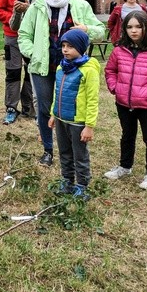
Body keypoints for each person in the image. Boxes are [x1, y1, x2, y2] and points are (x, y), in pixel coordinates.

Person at [17, 0, 105, 167]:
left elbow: (100, 31)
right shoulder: (37, 6)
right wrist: (33, 54)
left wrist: (86, 28)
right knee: (45, 109)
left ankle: (72, 149)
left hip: (71, 69)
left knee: (70, 109)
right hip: (43, 68)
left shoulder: (80, 6)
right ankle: (48, 149)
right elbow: (23, 35)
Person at [104, 10, 147, 190]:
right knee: (127, 136)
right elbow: (110, 71)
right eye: (129, 27)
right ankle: (125, 166)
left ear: (145, 28)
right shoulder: (119, 50)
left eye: (138, 27)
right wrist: (115, 88)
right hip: (124, 103)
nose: (133, 31)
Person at [48, 29, 100, 199]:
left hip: (77, 121)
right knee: (64, 152)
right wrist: (53, 114)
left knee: (79, 154)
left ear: (80, 47)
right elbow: (56, 92)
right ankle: (67, 180)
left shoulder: (88, 70)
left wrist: (89, 126)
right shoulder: (60, 67)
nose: (65, 49)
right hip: (61, 118)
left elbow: (93, 99)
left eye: (70, 46)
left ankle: (82, 184)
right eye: (63, 45)